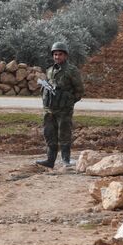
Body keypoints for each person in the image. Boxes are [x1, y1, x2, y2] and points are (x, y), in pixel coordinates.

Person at [36, 41, 85, 169]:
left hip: (64, 110)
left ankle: (65, 160)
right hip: (49, 109)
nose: (57, 57)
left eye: (60, 54)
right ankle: (50, 160)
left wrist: (68, 102)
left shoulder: (71, 71)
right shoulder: (50, 70)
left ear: (66, 55)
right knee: (49, 134)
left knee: (64, 134)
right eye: (55, 54)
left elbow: (79, 90)